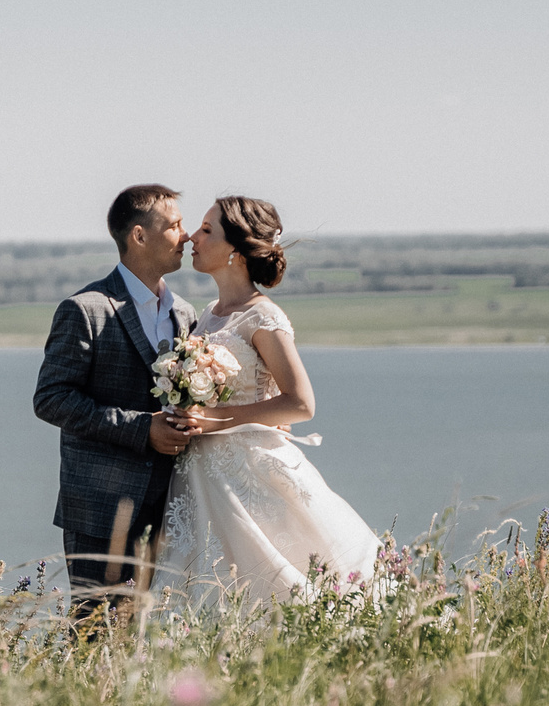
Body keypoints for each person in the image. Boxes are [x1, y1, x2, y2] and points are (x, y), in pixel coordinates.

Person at [159, 196, 382, 601]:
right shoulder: (208, 314)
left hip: (250, 475)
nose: (192, 237)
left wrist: (216, 419)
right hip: (200, 476)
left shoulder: (263, 317)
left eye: (207, 230)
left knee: (275, 583)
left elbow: (301, 404)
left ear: (237, 250)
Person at [33, 184, 199, 627]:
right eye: (174, 225)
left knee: (149, 637)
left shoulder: (184, 313)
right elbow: (50, 399)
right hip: (100, 508)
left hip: (170, 508)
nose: (185, 235)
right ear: (139, 236)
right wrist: (142, 429)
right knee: (93, 637)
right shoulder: (85, 309)